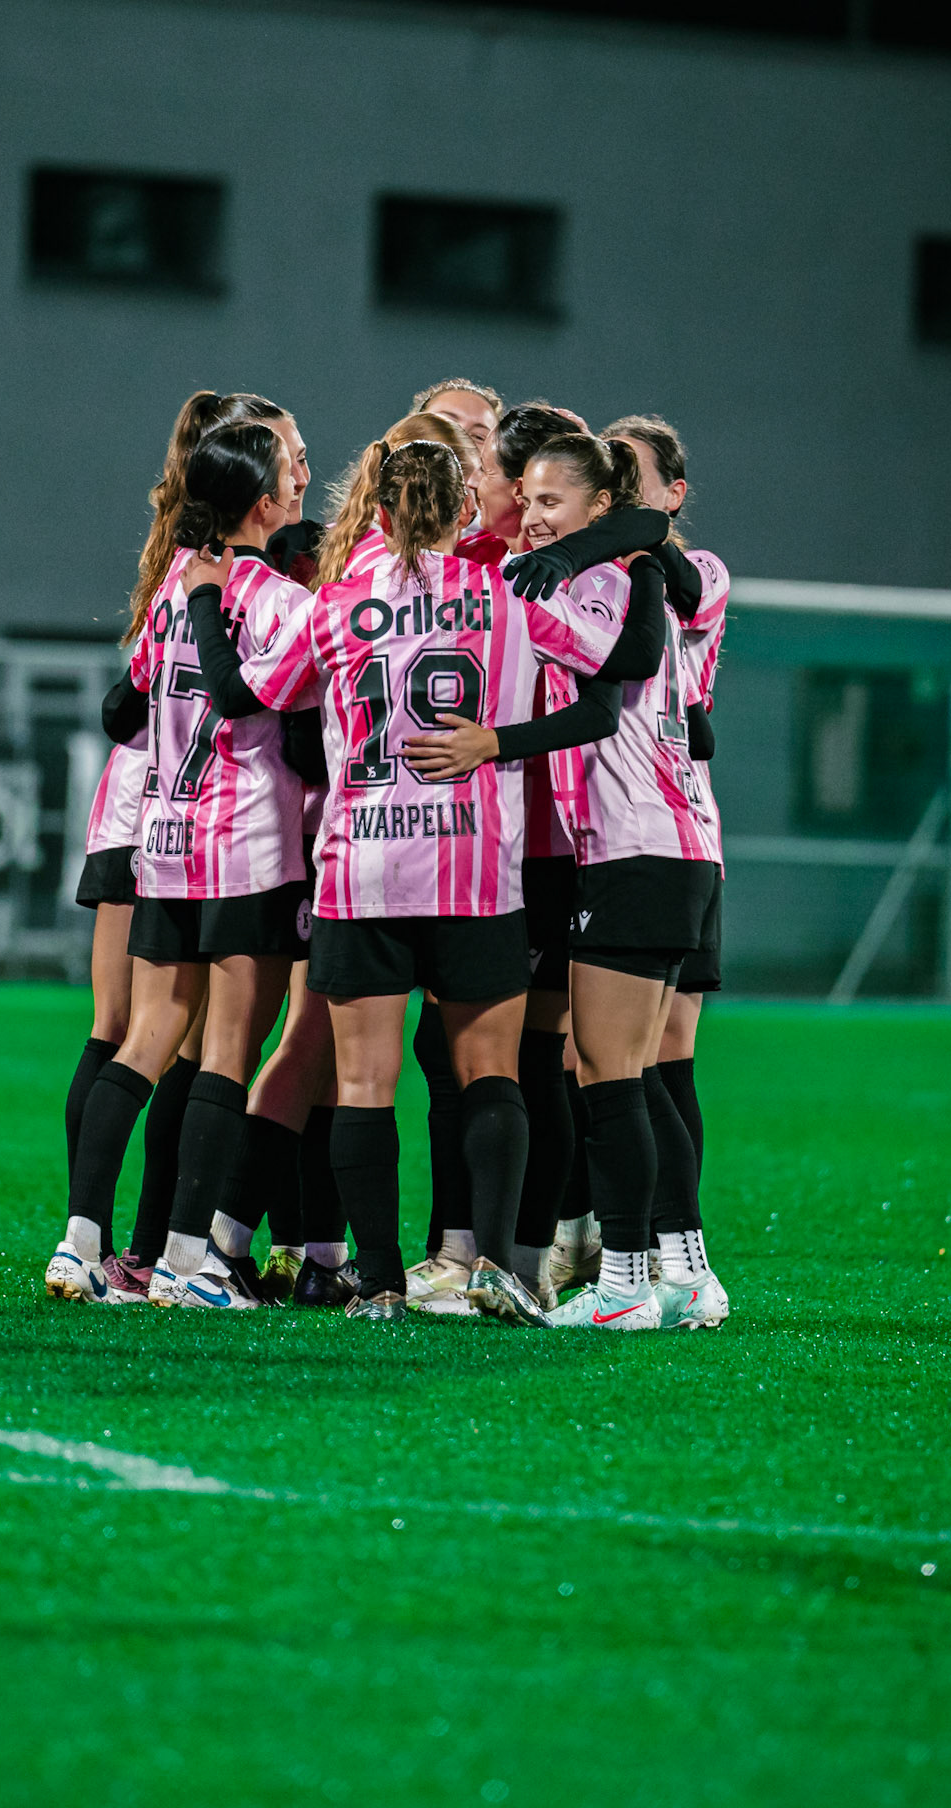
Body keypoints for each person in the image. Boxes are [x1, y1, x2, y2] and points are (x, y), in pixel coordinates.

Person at [188, 436, 643, 1325]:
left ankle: (382, 1281)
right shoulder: (504, 592)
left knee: (363, 1082)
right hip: (475, 871)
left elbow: (256, 692)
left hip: (361, 868)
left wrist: (209, 605)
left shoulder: (335, 605)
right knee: (490, 1076)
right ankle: (499, 1269)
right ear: (461, 511)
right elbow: (612, 656)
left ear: (382, 510)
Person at [46, 397, 310, 1305]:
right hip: (246, 846)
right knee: (228, 1050)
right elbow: (256, 707)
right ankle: (188, 1263)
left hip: (163, 835)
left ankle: (80, 1242)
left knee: (142, 1036)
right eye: (289, 474)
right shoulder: (285, 604)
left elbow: (136, 702)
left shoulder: (168, 589)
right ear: (267, 507)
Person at [403, 432, 669, 1309]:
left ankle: (534, 1257)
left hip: (577, 848)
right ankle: (482, 1252)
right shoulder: (492, 560)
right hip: (508, 844)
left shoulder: (616, 569)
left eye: (485, 455)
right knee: (478, 1054)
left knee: (558, 1060)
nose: (492, 485)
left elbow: (620, 671)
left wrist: (493, 743)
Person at [501, 456, 728, 1331]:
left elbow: (603, 683)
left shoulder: (590, 586)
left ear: (601, 506)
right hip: (677, 849)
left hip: (636, 848)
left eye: (547, 501)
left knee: (608, 1076)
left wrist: (491, 739)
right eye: (525, 501)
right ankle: (678, 1275)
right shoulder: (641, 581)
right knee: (634, 1075)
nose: (531, 518)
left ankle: (625, 1283)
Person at [601, 415, 729, 1317]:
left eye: (626, 476)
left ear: (673, 494)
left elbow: (664, 563)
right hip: (674, 830)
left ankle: (654, 1268)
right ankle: (684, 1267)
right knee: (646, 1062)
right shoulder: (615, 568)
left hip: (660, 831)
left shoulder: (691, 570)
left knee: (636, 1063)